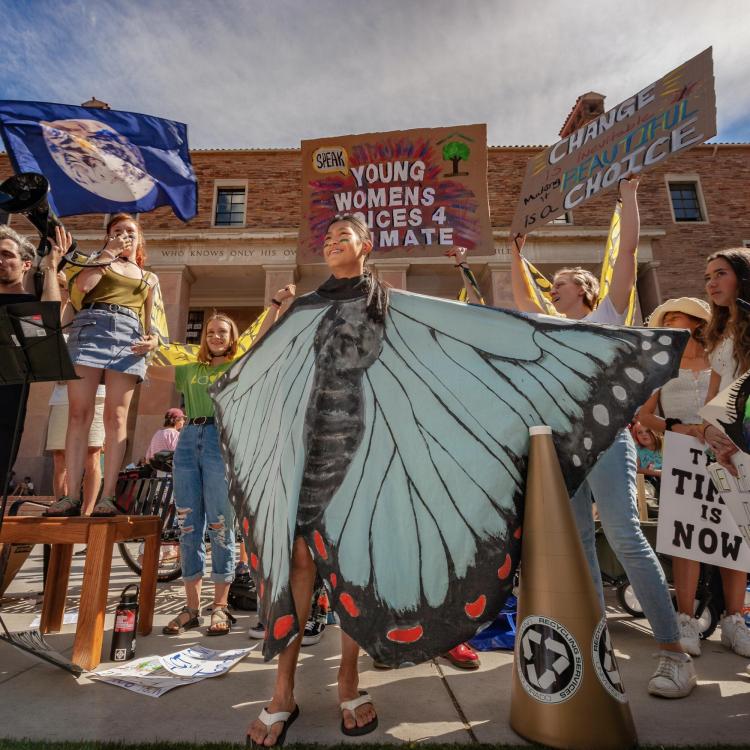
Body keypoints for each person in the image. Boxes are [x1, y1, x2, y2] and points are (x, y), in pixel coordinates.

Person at [457, 177, 696, 698]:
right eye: (553, 285)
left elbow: (628, 249)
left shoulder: (609, 316)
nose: (553, 289)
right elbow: (522, 293)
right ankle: (596, 643)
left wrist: (628, 193)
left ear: (584, 289)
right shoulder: (550, 329)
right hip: (565, 449)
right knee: (580, 545)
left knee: (627, 538)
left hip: (608, 441)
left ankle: (673, 652)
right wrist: (515, 250)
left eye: (561, 283)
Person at [151, 303, 293, 637]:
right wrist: (149, 348)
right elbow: (149, 366)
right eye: (211, 332)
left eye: (223, 332)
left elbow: (261, 338)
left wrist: (275, 306)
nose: (216, 337)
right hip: (187, 441)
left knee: (220, 524)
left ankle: (220, 606)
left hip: (220, 440)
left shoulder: (238, 365)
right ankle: (190, 608)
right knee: (187, 522)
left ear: (232, 339)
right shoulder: (189, 369)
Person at [45, 213, 160, 517]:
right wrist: (107, 254)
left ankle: (108, 497)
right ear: (108, 235)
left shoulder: (149, 277)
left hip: (128, 337)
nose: (124, 235)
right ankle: (70, 497)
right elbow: (82, 288)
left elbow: (154, 323)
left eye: (130, 231)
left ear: (139, 240)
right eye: (117, 230)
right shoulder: (94, 260)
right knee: (79, 413)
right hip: (90, 328)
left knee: (116, 418)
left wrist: (154, 341)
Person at [697, 249, 750, 660]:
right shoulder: (719, 333)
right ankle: (734, 619)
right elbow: (714, 393)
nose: (712, 283)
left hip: (746, 437)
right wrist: (713, 433)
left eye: (721, 274)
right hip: (725, 450)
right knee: (738, 535)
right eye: (708, 276)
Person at [0, 225, 62, 492]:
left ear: (26, 264)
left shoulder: (28, 305)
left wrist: (50, 267)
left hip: (8, 400)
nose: (0, 260)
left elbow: (47, 327)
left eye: (6, 254)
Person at [46, 381, 104, 514]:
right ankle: (63, 505)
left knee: (92, 454)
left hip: (95, 393)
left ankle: (87, 512)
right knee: (59, 456)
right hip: (62, 395)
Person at [631, 422, 663, 495]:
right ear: (636, 437)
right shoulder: (637, 449)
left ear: (656, 432)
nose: (644, 434)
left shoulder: (663, 447)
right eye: (640, 432)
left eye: (648, 431)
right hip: (646, 478)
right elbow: (637, 469)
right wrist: (657, 473)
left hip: (664, 477)